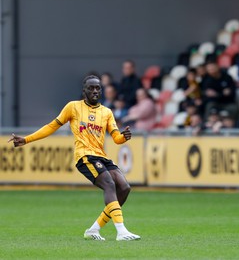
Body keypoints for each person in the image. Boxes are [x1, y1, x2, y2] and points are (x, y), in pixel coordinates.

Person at [8, 75, 140, 241]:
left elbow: (116, 138)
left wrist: (124, 137)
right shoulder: (73, 107)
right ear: (84, 90)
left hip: (101, 156)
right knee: (109, 184)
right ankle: (121, 232)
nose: (95, 91)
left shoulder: (106, 112)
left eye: (98, 88)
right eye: (91, 88)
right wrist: (26, 139)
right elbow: (52, 126)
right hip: (84, 156)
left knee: (124, 188)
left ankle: (94, 230)